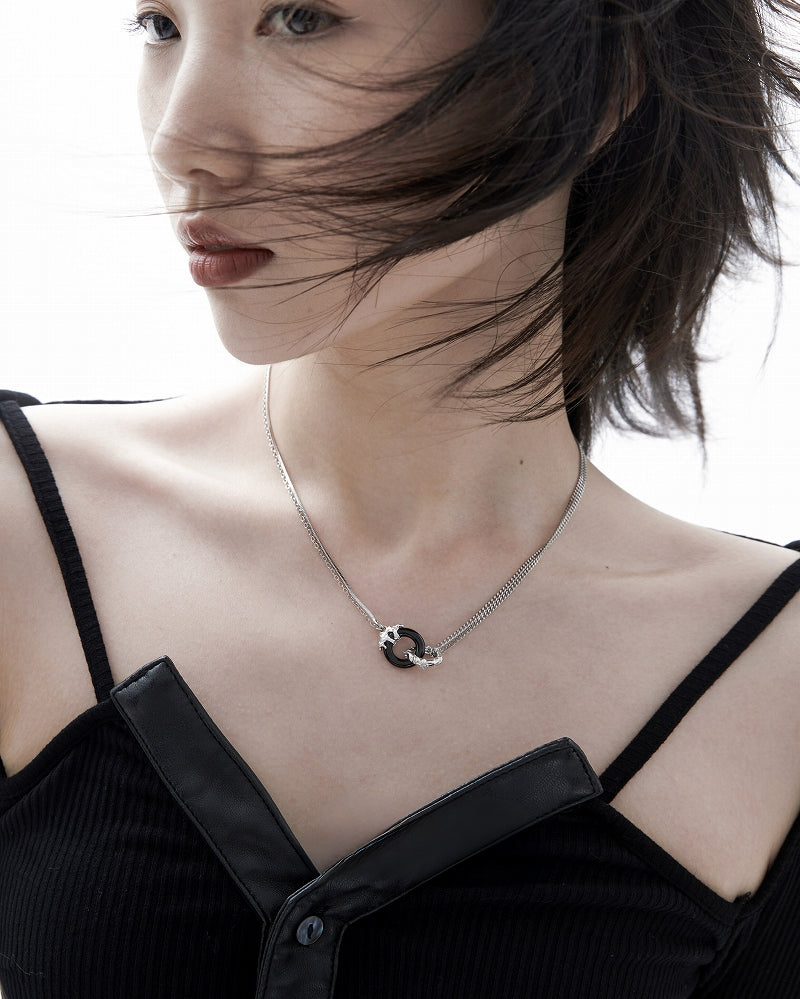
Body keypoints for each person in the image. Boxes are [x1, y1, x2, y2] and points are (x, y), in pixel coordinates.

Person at [1, 0, 799, 996]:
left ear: (599, 83)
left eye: (302, 19)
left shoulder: (769, 677)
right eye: (161, 25)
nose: (182, 141)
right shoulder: (25, 532)